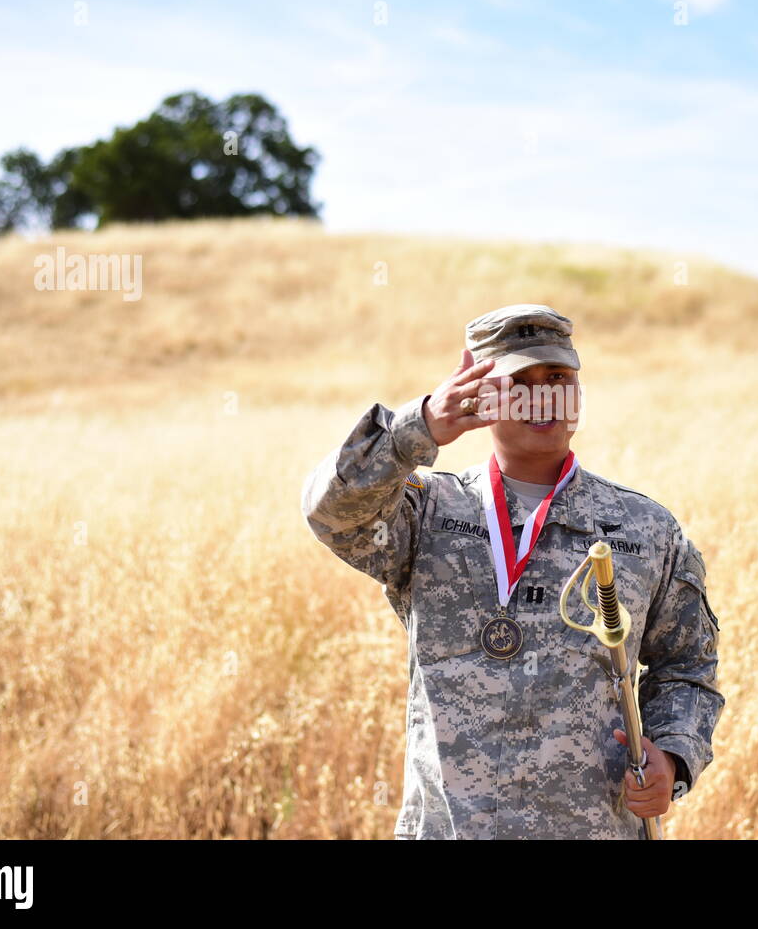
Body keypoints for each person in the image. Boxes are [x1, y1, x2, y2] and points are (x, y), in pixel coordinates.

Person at [301, 303, 724, 839]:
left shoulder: (644, 530)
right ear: (479, 392)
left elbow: (687, 669)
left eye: (558, 377)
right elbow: (330, 511)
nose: (543, 395)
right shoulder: (427, 514)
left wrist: (673, 760)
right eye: (518, 381)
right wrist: (419, 426)